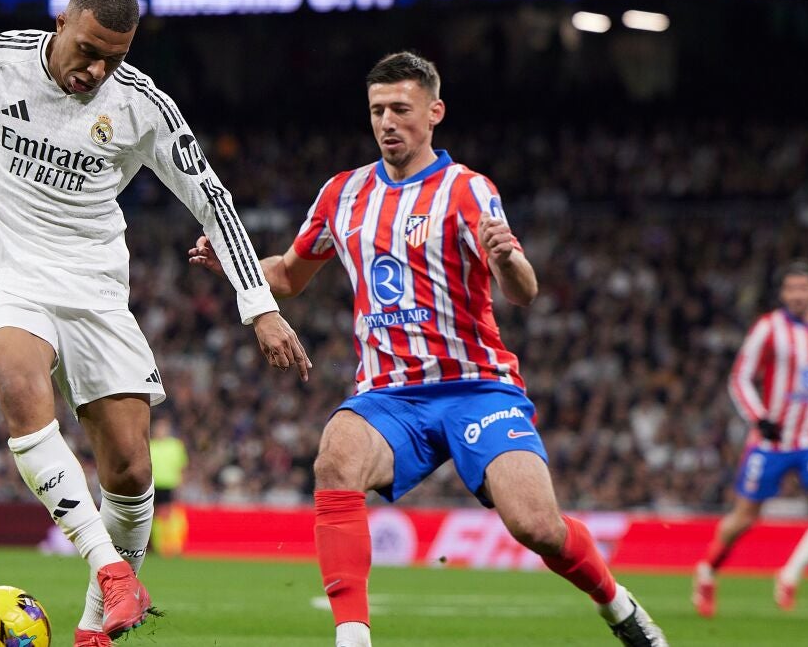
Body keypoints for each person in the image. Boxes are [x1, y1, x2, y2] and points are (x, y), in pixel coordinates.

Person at [0, 0, 311, 645]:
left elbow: (213, 200)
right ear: (61, 22)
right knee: (17, 376)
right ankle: (110, 571)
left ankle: (94, 631)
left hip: (94, 286)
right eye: (87, 49)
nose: (94, 70)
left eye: (112, 59)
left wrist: (258, 306)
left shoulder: (142, 105)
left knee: (131, 469)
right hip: (5, 273)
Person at [189, 51, 666, 646]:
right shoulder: (344, 193)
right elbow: (287, 274)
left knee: (537, 526)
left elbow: (522, 292)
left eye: (401, 109)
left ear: (434, 112)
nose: (387, 122)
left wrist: (508, 257)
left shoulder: (467, 191)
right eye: (377, 111)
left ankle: (617, 605)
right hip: (390, 396)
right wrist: (233, 269)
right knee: (335, 457)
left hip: (477, 387)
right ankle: (353, 638)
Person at [693, 260, 808, 620]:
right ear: (783, 294)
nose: (798, 295)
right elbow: (740, 377)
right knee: (744, 518)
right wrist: (759, 417)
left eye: (804, 288)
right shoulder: (768, 328)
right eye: (791, 289)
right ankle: (707, 571)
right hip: (771, 442)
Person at [148, 415, 189, 556]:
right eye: (158, 428)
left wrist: (180, 485)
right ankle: (154, 545)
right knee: (152, 517)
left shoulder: (175, 445)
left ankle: (168, 546)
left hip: (169, 484)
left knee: (166, 516)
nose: (160, 430)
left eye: (163, 428)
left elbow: (182, 467)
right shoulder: (150, 445)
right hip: (152, 485)